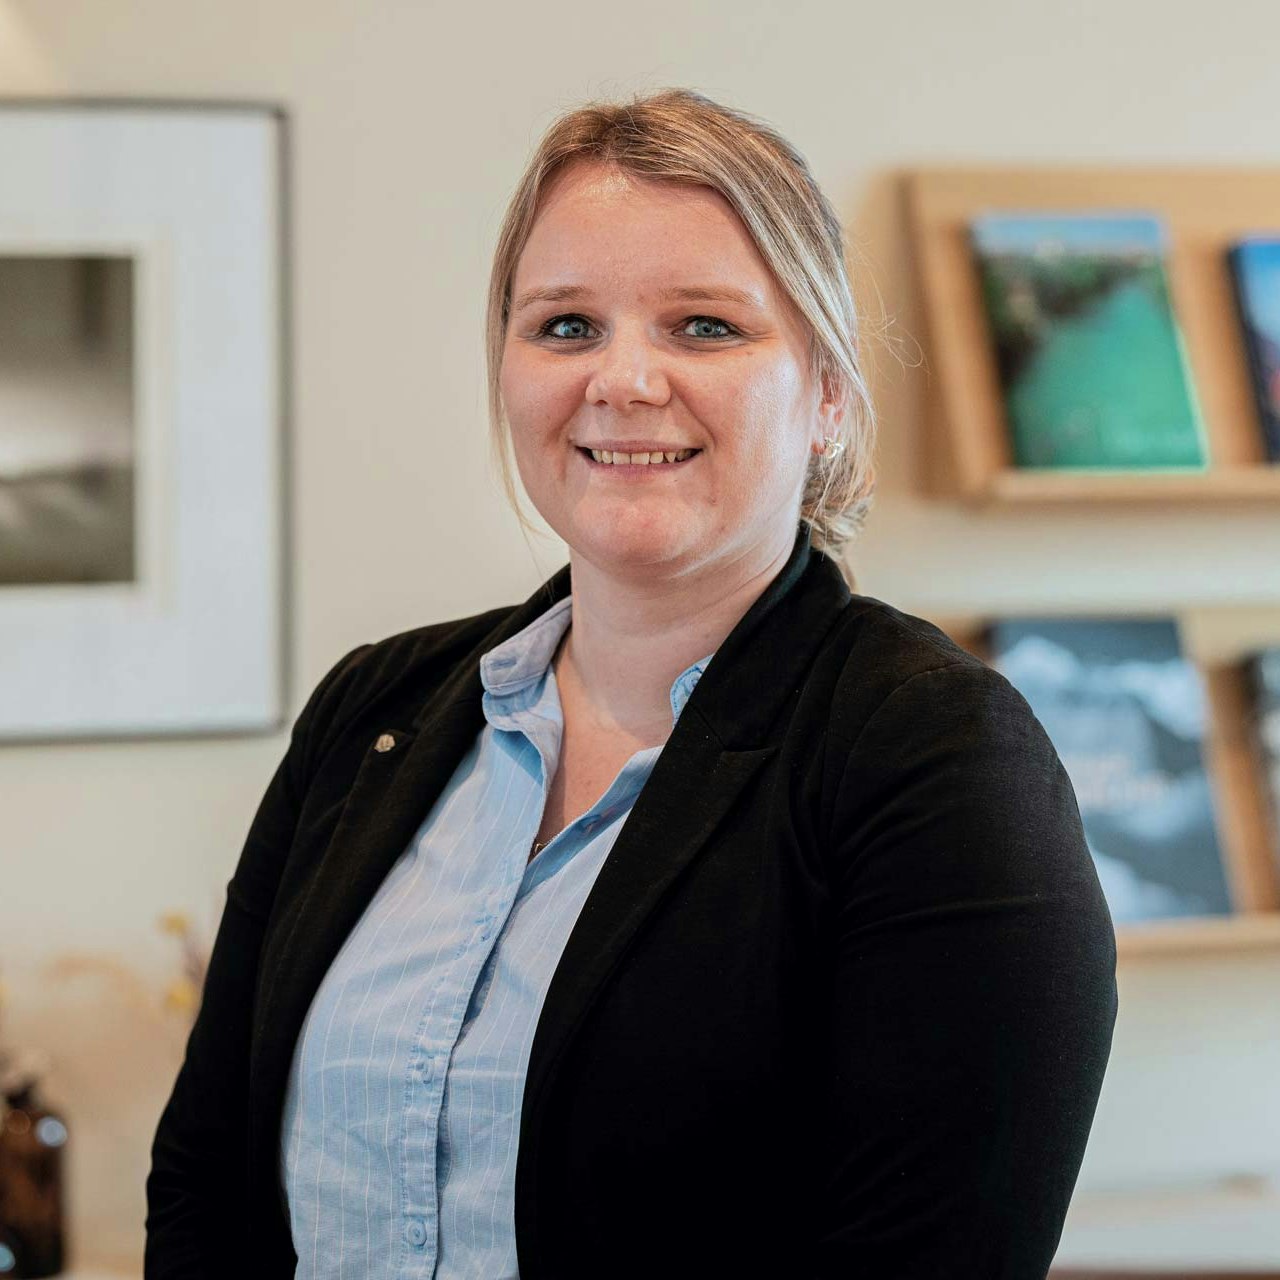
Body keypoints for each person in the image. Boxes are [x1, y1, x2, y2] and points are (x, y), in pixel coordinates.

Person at [145, 87, 1117, 1279]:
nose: (624, 379)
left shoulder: (933, 755)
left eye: (704, 325)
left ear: (823, 393)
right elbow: (207, 1176)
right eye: (565, 326)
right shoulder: (373, 710)